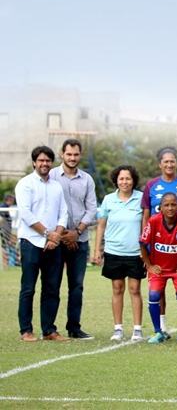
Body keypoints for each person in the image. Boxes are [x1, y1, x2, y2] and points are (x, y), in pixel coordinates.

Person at [16, 146, 69, 342]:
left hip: (53, 245)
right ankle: (26, 331)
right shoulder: (25, 184)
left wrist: (56, 235)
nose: (44, 164)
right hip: (31, 242)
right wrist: (48, 234)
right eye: (41, 160)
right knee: (28, 288)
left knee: (52, 288)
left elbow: (64, 212)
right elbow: (26, 214)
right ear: (34, 162)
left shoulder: (56, 186)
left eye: (48, 161)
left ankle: (49, 330)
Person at [140, 146, 177, 338]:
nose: (169, 164)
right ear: (160, 164)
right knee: (156, 293)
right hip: (158, 246)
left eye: (172, 161)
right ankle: (160, 329)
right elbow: (146, 215)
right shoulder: (151, 185)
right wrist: (145, 249)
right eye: (166, 161)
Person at [49, 139, 98, 339]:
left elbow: (92, 209)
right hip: (56, 239)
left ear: (80, 155)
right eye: (69, 154)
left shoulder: (87, 179)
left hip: (80, 239)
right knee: (52, 284)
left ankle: (74, 327)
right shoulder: (51, 176)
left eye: (76, 154)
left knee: (76, 286)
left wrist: (76, 232)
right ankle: (49, 328)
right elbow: (47, 208)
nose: (72, 158)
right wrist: (61, 235)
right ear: (62, 154)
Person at [94, 165, 146, 343]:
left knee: (135, 290)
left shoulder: (141, 198)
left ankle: (137, 329)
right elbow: (101, 225)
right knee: (117, 289)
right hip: (113, 251)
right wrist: (97, 250)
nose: (125, 182)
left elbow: (145, 225)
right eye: (121, 179)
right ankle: (118, 329)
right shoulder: (108, 200)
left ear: (134, 180)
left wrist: (145, 250)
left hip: (135, 253)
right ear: (116, 180)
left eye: (128, 179)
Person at [1, 193, 18, 267]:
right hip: (4, 231)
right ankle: (4, 263)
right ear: (9, 200)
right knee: (4, 246)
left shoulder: (5, 207)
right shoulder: (3, 207)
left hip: (6, 230)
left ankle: (6, 263)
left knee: (6, 246)